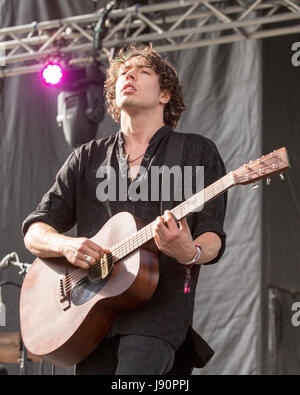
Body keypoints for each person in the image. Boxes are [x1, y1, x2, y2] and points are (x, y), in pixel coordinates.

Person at [22, 43, 227, 375]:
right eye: (122, 73)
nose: (127, 75)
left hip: (156, 319)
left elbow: (212, 237)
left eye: (142, 71)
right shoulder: (85, 158)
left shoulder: (195, 152)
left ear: (165, 95)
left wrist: (189, 251)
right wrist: (68, 245)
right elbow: (35, 232)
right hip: (89, 323)